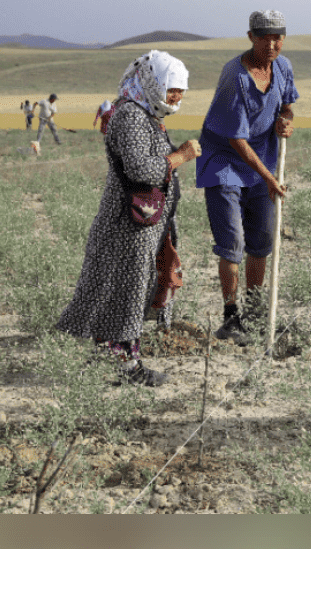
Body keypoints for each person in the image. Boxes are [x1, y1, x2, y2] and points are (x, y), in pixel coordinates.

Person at [57, 51, 201, 386]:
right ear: (153, 83)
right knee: (126, 292)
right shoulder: (133, 117)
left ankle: (112, 359)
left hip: (137, 226)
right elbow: (141, 169)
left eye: (182, 90)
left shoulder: (144, 113)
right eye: (172, 87)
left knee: (126, 292)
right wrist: (180, 156)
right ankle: (125, 367)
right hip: (127, 226)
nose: (177, 95)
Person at [195, 10, 296, 345]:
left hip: (261, 163)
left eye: (277, 37)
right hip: (225, 161)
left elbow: (287, 105)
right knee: (233, 243)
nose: (272, 44)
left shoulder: (282, 67)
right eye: (264, 37)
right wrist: (269, 178)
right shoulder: (235, 76)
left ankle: (253, 310)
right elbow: (236, 139)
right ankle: (231, 316)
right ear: (251, 36)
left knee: (262, 242)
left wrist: (285, 118)